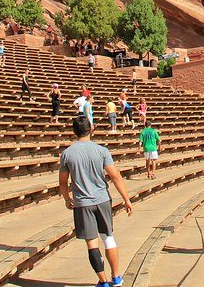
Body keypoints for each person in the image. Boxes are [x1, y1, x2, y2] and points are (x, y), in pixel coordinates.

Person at [59, 115, 133, 287]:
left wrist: (66, 199)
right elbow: (115, 176)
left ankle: (103, 281)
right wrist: (126, 199)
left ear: (73, 131)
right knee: (108, 237)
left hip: (82, 203)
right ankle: (116, 277)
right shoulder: (102, 151)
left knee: (92, 243)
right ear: (91, 129)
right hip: (102, 200)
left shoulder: (67, 154)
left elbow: (63, 182)